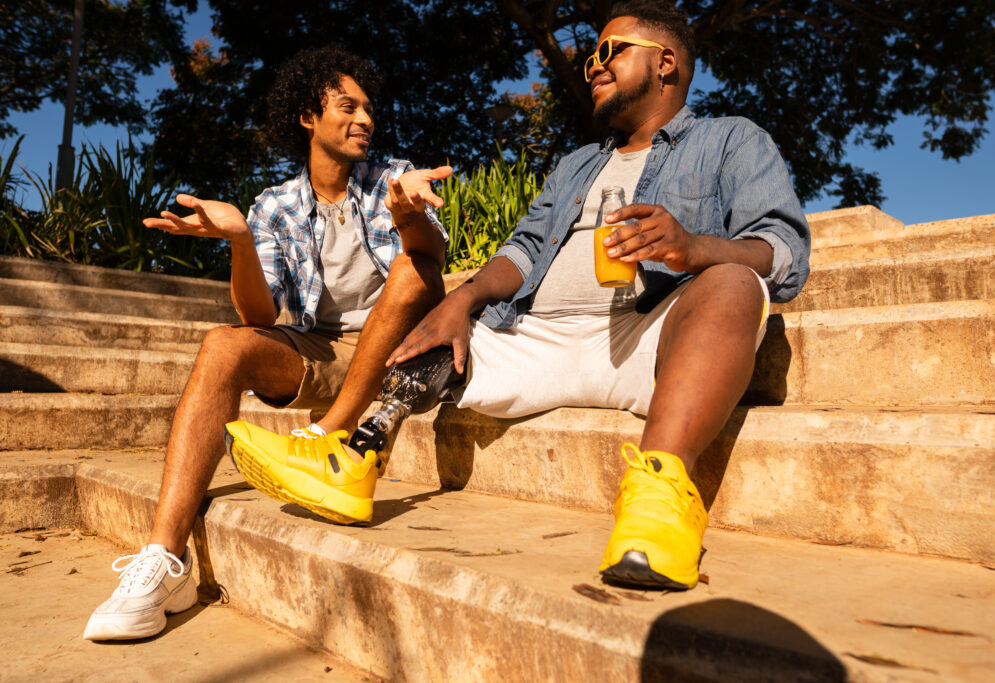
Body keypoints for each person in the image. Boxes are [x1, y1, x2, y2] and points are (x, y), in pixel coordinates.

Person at [228, 0, 810, 592]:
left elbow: (781, 249)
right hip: (536, 338)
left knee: (735, 283)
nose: (594, 67)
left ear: (665, 63)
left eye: (609, 52)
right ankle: (356, 460)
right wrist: (462, 298)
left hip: (649, 338)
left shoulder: (732, 140)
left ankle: (657, 503)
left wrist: (695, 248)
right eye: (589, 60)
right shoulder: (579, 164)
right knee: (437, 320)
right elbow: (524, 251)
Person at [83, 46, 451, 640]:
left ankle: (328, 433)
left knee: (412, 270)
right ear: (309, 116)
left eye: (369, 110)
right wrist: (240, 244)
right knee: (223, 345)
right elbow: (259, 315)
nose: (365, 120)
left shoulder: (394, 178)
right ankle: (163, 560)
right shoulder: (275, 205)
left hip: (402, 350)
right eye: (347, 106)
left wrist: (407, 214)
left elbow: (430, 269)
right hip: (327, 353)